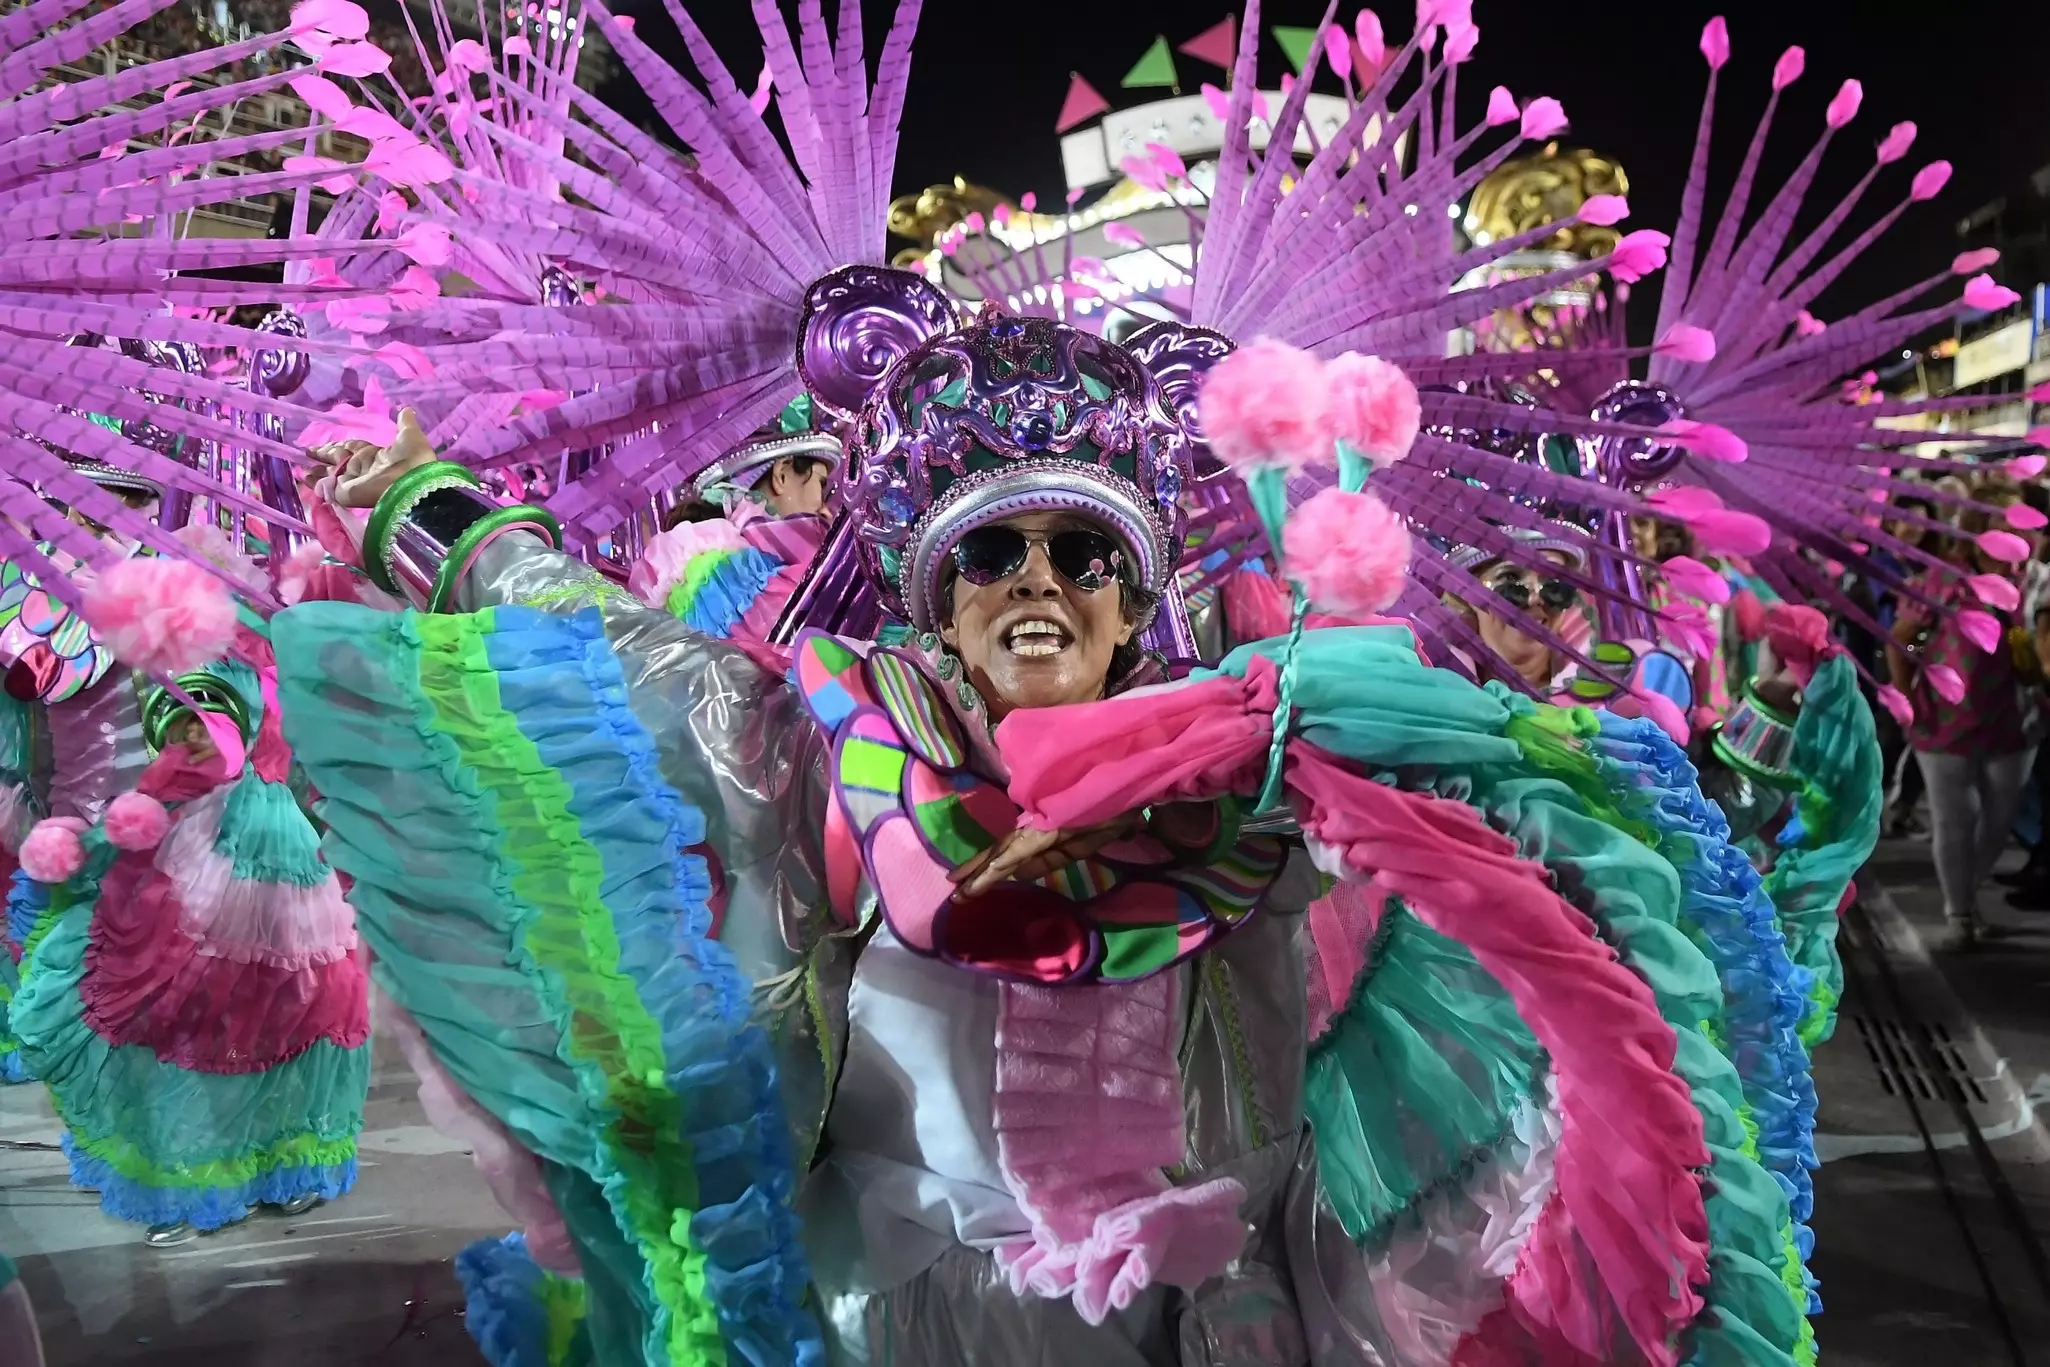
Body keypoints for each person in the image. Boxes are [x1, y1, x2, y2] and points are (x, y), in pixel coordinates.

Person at [272, 290, 1830, 1366]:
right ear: (936, 590)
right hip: (916, 1305)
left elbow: (1494, 829)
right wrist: (429, 509)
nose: (1035, 584)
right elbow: (605, 652)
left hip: (1213, 1320)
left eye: (1080, 554)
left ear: (1136, 591)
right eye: (993, 553)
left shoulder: (1263, 760)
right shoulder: (821, 747)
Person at [11, 618, 371, 1246]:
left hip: (265, 870)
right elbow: (194, 755)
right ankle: (202, 1182)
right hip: (212, 862)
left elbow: (227, 745)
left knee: (280, 1023)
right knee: (205, 1031)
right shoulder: (216, 677)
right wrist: (91, 844)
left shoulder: (254, 667)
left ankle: (279, 1171)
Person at [1889, 481, 2034, 949]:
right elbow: (1903, 636)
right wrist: (1911, 682)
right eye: (2010, 520)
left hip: (2010, 716)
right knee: (1956, 819)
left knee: (1999, 817)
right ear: (1980, 526)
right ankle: (1960, 910)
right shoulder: (1943, 576)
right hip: (1943, 714)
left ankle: (1967, 894)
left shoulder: (2027, 576)